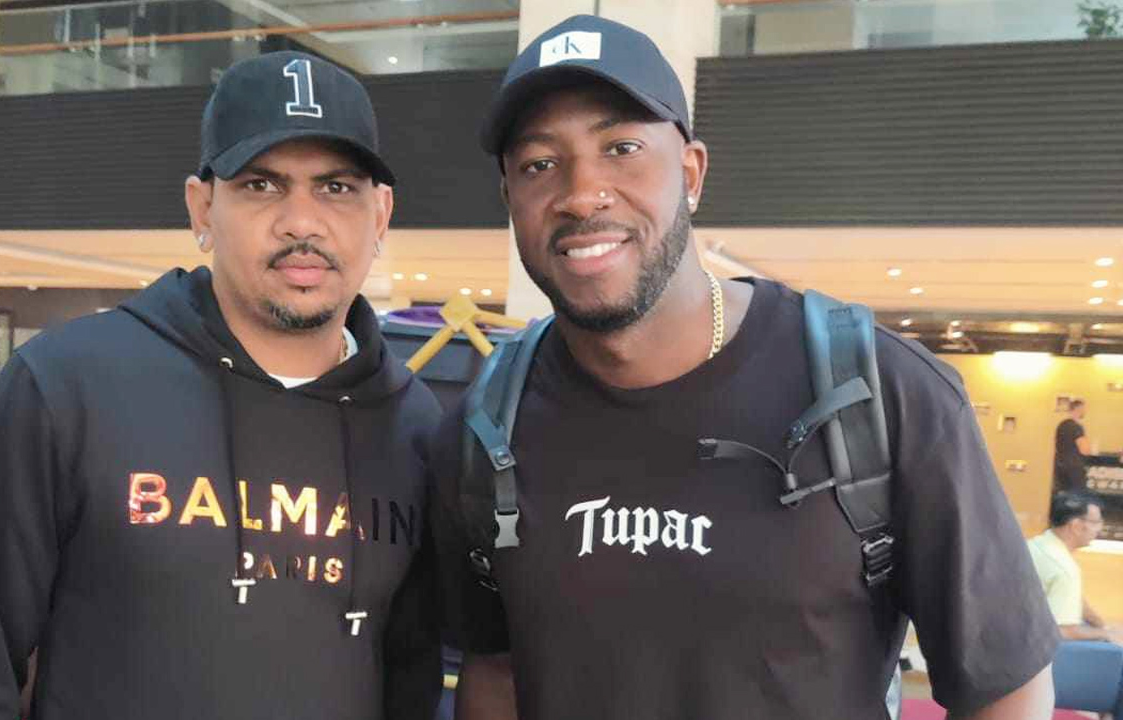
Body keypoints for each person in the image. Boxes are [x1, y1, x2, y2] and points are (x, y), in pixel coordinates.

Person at [430, 14, 1059, 720]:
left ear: (691, 173)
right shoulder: (486, 425)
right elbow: (496, 672)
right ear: (510, 201)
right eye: (539, 164)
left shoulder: (879, 394)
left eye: (622, 147)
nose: (581, 193)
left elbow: (1005, 688)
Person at [0, 51, 442, 720]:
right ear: (202, 208)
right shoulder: (68, 384)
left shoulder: (414, 424)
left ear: (381, 214)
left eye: (336, 188)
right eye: (262, 184)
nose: (302, 222)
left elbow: (411, 681)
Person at [1029, 492, 1123, 718]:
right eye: (1096, 522)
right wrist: (1106, 634)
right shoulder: (1063, 569)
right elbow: (1063, 631)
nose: (1099, 528)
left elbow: (1074, 600)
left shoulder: (1040, 545)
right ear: (1075, 525)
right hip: (1031, 661)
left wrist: (1100, 624)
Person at [1054, 399, 1091, 493]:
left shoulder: (1061, 425)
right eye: (1083, 409)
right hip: (1074, 469)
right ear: (1078, 409)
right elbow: (1085, 450)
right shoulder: (1077, 427)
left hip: (1060, 467)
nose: (1084, 412)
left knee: (1062, 497)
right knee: (1077, 497)